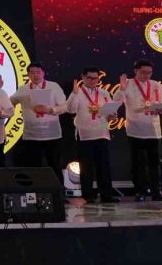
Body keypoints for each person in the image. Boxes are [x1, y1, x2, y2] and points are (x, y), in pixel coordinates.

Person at [67, 66, 120, 203]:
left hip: (102, 133)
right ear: (83, 77)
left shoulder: (104, 93)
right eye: (89, 78)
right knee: (86, 167)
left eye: (95, 78)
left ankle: (106, 195)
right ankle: (88, 195)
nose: (92, 80)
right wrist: (73, 94)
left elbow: (110, 111)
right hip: (85, 134)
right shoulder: (78, 93)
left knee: (104, 166)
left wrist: (112, 116)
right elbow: (71, 110)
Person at [10, 62, 67, 183]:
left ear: (43, 73)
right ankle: (34, 194)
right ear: (28, 75)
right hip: (32, 135)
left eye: (38, 72)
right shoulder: (23, 89)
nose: (35, 75)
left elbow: (64, 106)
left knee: (55, 164)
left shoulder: (53, 86)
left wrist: (51, 110)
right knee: (33, 166)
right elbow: (10, 103)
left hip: (52, 134)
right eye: (32, 72)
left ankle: (58, 194)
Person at [115, 59, 162, 201]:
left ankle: (156, 191)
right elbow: (116, 102)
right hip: (135, 129)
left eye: (149, 73)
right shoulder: (127, 84)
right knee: (138, 162)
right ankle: (140, 191)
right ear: (135, 71)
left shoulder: (155, 85)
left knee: (154, 162)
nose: (147, 76)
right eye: (143, 73)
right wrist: (121, 88)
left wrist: (158, 109)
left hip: (153, 130)